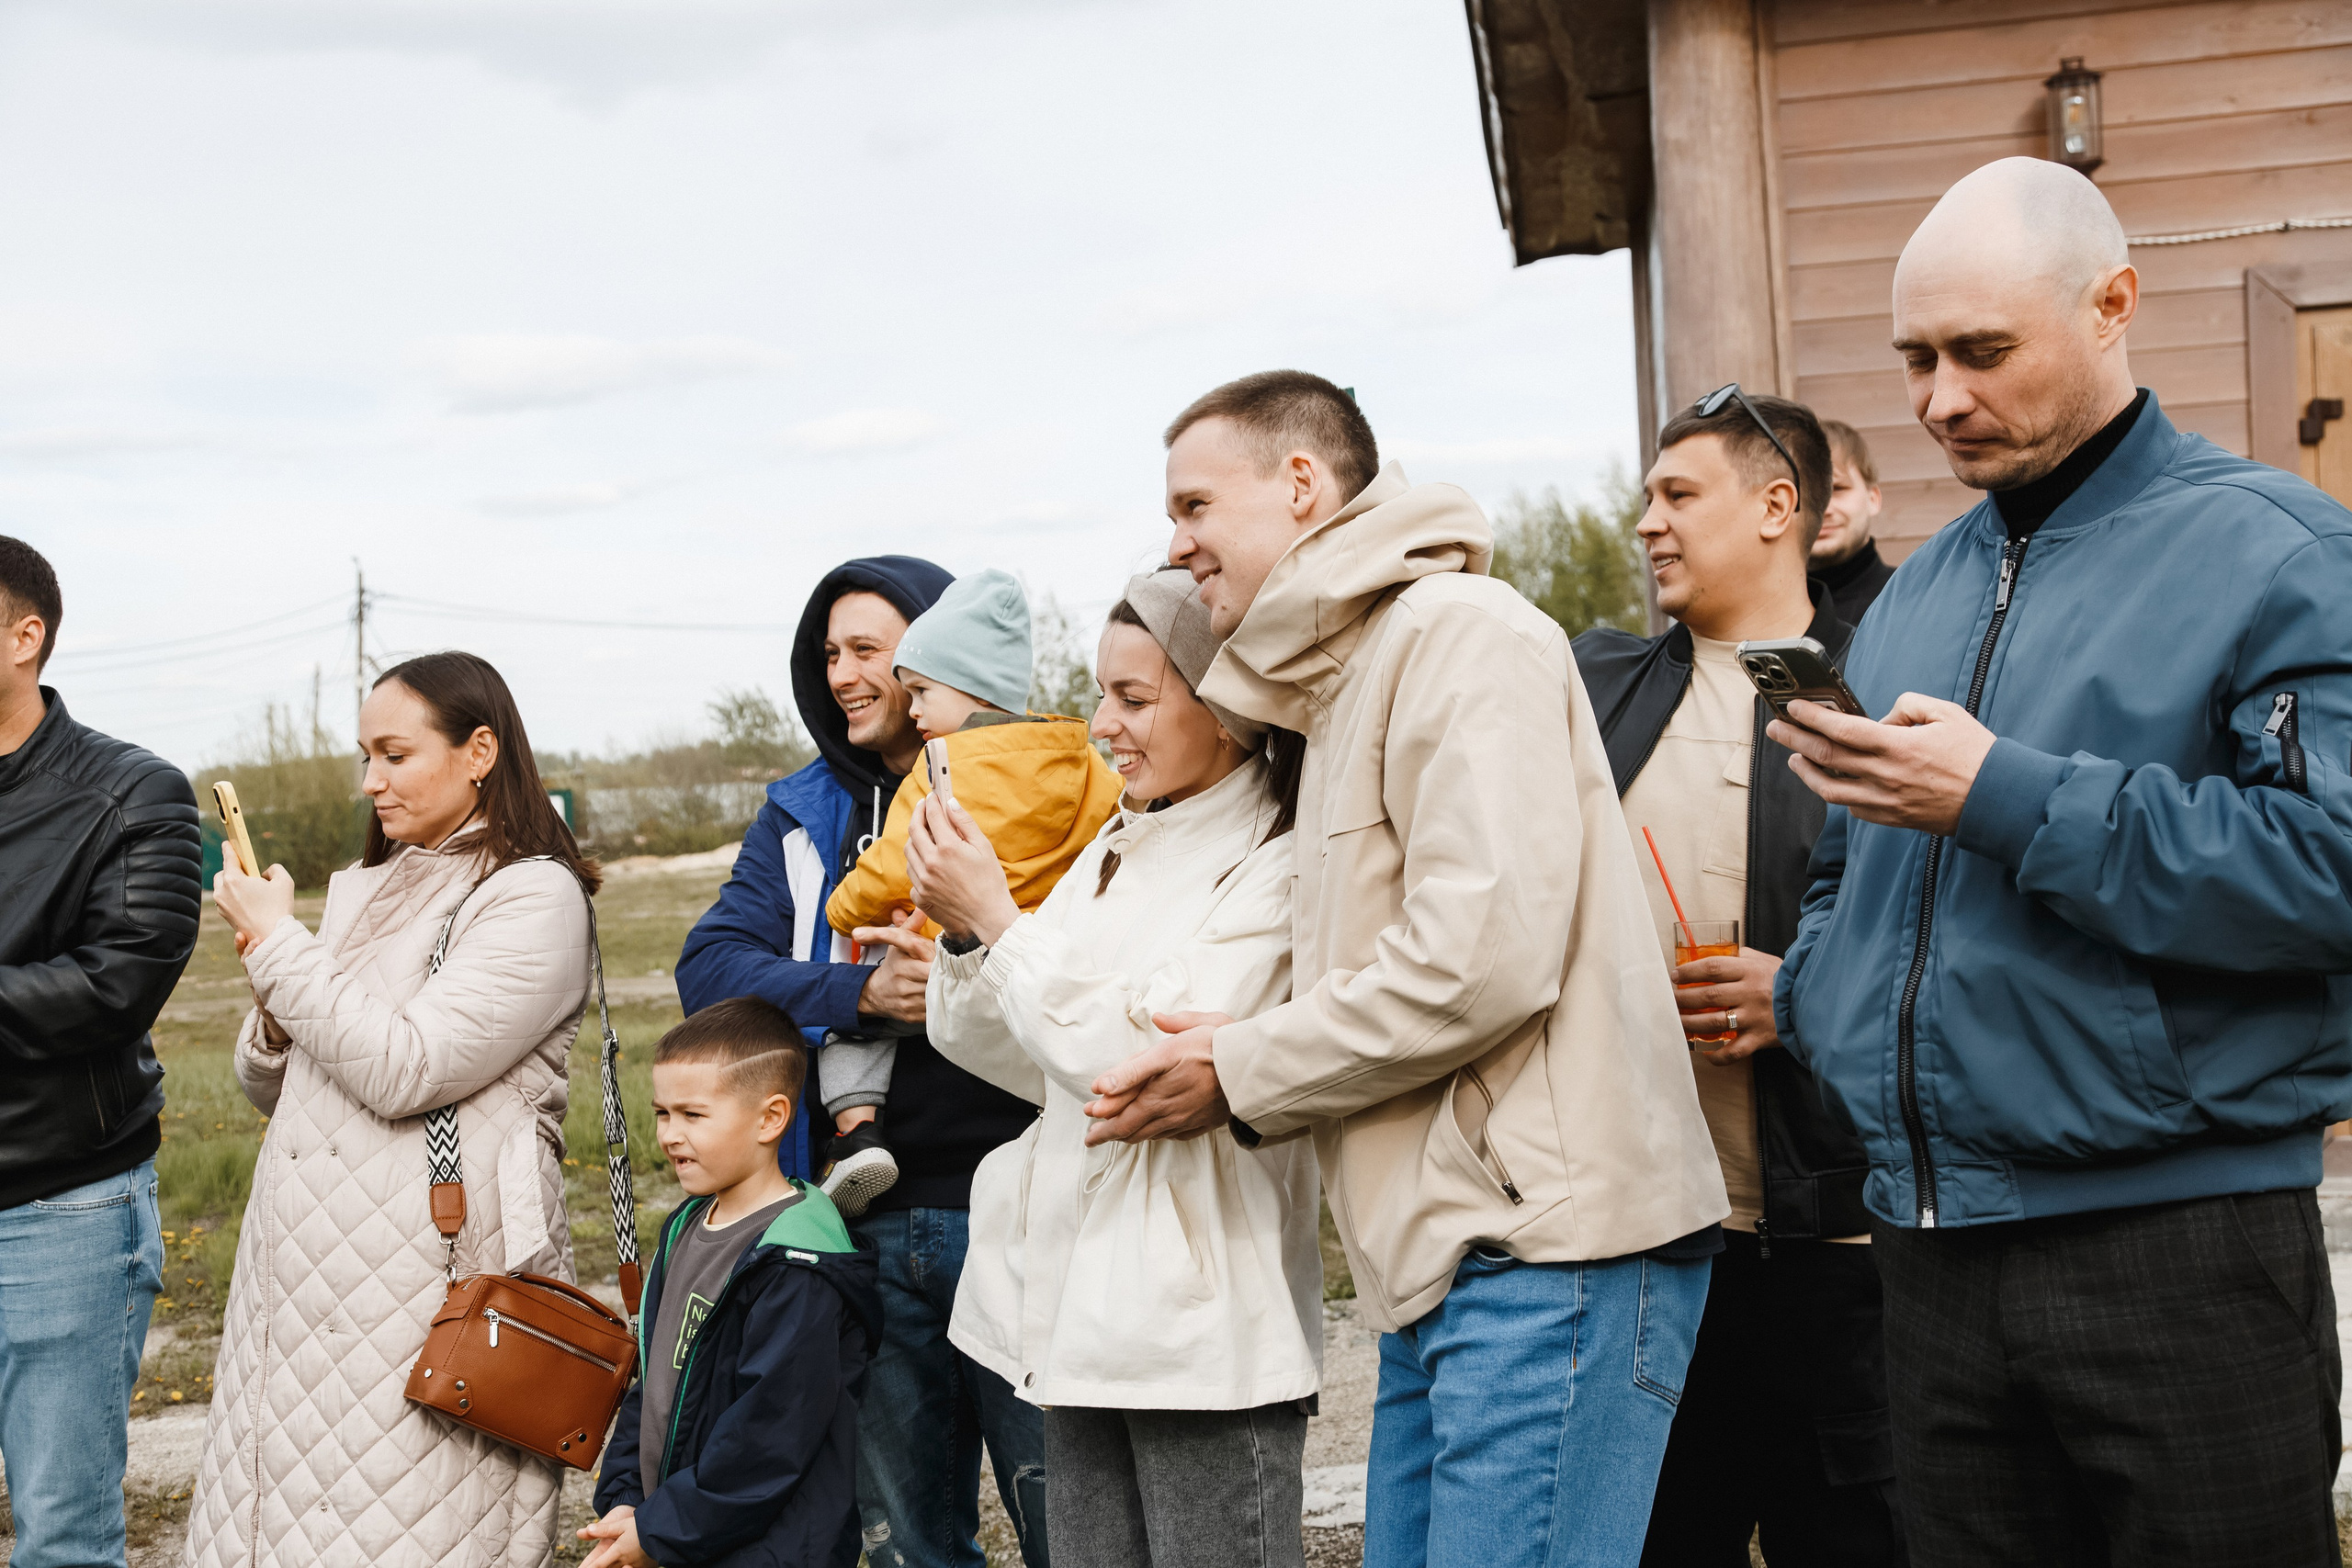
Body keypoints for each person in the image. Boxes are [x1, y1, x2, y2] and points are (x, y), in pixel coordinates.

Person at [1770, 156, 2352, 1566]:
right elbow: (1854, 874)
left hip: (2184, 1243)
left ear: (2114, 305)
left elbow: (2333, 867)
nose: (1939, 399)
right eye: (1915, 357)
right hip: (1929, 1245)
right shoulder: (1918, 590)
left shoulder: (2285, 552)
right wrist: (1819, 1002)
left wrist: (2005, 796)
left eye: (1983, 351)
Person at [1084, 370, 1728, 1568]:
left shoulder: (1457, 636)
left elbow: (1482, 957)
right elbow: (1416, 958)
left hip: (1546, 1253)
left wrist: (1242, 1063)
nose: (1175, 543)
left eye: (1193, 504)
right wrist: (1238, 1033)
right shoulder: (1338, 693)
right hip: (1448, 1264)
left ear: (1300, 483)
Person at [918, 568, 1323, 1568]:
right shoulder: (1120, 841)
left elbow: (1128, 1069)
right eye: (1103, 693)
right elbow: (1013, 1053)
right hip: (1072, 1312)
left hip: (1197, 1332)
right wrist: (970, 939)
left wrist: (1003, 923)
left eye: (1134, 698)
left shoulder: (1277, 858)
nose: (1101, 725)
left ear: (1227, 707)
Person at [1573, 395, 1905, 1565]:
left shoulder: (1887, 698)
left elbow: (1955, 924)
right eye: (1647, 497)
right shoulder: (1587, 689)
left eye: (1679, 495)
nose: (1648, 522)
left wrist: (1803, 990)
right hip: (1653, 1244)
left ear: (1777, 508)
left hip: (1845, 1250)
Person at [187, 651, 598, 1568]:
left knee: (407, 1531)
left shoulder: (532, 893)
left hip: (429, 1283)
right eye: (363, 757)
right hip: (303, 1285)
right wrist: (278, 971)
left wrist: (275, 943)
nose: (370, 780)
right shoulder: (368, 886)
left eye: (394, 754)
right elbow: (273, 1084)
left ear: (478, 749)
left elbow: (407, 1068)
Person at [675, 558, 1048, 1568]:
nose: (841, 673)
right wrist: (856, 994)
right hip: (861, 1227)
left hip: (1022, 1215)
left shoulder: (1044, 782)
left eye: (868, 651)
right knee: (906, 1546)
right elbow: (707, 967)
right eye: (827, 653)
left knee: (1074, 1523)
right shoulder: (803, 816)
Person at [0, 536, 200, 1568]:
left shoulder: (132, 794)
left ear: (24, 635)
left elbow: (112, 990)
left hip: (57, 1208)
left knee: (62, 1532)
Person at [818, 568, 1120, 1217]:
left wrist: (842, 907)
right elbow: (1113, 837)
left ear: (972, 687)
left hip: (940, 966)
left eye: (922, 690)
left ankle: (857, 1130)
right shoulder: (1086, 762)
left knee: (853, 1014)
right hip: (1027, 963)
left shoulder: (939, 773)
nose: (916, 709)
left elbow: (895, 866)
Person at [583, 998, 880, 1568]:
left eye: (693, 1116)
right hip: (680, 1532)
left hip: (766, 1551)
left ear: (771, 1118)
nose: (670, 1135)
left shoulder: (799, 1263)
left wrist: (662, 1528)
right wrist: (627, 1502)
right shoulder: (685, 1227)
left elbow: (769, 1438)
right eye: (662, 1113)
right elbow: (653, 1378)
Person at [1806, 420, 1895, 626]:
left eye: (1837, 489)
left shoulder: (1910, 598)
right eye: (1808, 494)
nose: (1824, 509)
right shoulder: (1760, 613)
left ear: (1873, 499)